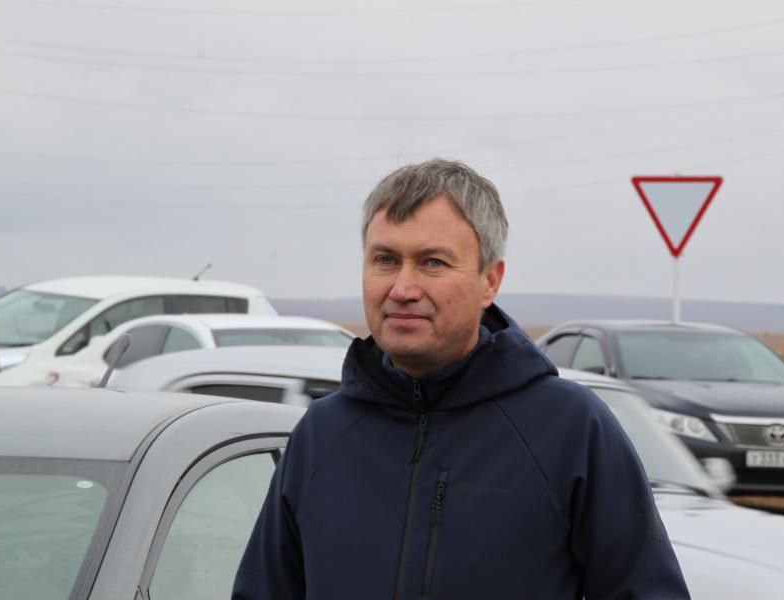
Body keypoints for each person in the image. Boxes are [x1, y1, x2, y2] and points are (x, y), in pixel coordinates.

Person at [233, 159, 690, 600]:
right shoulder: (321, 434)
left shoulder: (571, 429)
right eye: (385, 260)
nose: (402, 289)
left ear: (489, 280)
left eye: (432, 262)